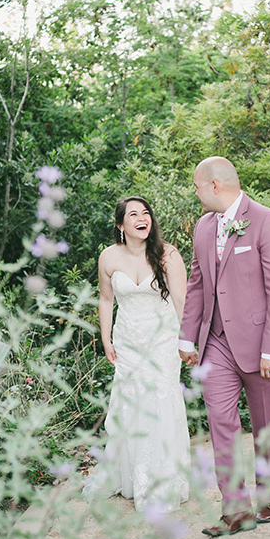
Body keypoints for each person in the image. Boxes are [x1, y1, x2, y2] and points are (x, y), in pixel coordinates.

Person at [179, 157, 270, 536]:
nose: (195, 193)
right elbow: (197, 284)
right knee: (221, 424)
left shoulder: (266, 221)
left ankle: (268, 499)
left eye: (197, 186)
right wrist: (187, 336)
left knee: (266, 425)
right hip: (215, 344)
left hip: (262, 345)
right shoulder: (202, 227)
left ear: (215, 186)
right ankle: (235, 509)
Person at [84, 196, 190, 512]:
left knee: (158, 404)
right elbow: (105, 300)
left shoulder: (168, 254)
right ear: (121, 225)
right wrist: (106, 339)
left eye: (146, 213)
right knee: (129, 406)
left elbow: (182, 302)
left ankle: (161, 480)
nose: (142, 218)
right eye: (134, 214)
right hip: (127, 343)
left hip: (163, 342)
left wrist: (189, 342)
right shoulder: (108, 257)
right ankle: (129, 476)